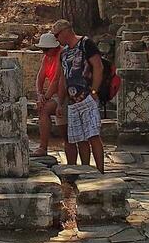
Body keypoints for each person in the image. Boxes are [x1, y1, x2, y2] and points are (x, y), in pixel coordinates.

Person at [53, 19, 105, 172]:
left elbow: (98, 66)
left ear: (66, 31)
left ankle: (100, 170)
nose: (57, 39)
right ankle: (86, 170)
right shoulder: (63, 53)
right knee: (80, 138)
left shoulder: (86, 44)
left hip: (87, 96)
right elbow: (63, 78)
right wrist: (60, 102)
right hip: (73, 101)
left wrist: (94, 92)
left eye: (57, 35)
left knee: (93, 135)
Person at [33, 32, 63, 156]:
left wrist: (45, 98)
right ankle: (43, 147)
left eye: (46, 50)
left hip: (63, 93)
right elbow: (40, 78)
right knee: (42, 109)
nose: (44, 52)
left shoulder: (61, 54)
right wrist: (39, 94)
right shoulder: (46, 58)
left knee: (44, 109)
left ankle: (43, 147)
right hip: (53, 94)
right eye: (42, 50)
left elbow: (57, 79)